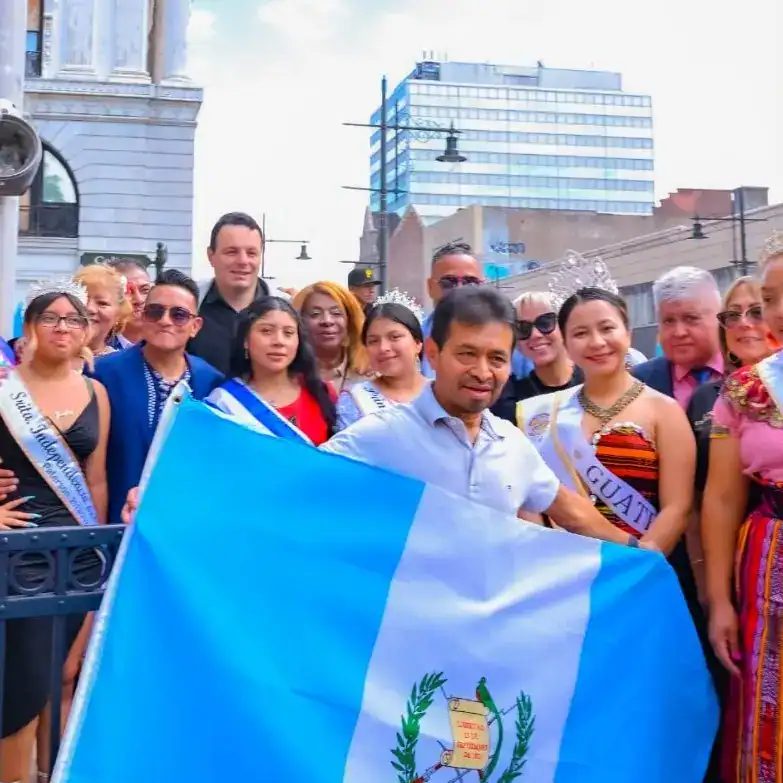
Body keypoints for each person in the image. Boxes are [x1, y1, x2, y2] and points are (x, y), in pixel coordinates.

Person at [321, 286, 642, 546]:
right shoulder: (381, 435)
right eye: (467, 354)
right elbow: (298, 478)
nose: (482, 372)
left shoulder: (512, 443)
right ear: (433, 352)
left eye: (497, 358)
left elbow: (574, 514)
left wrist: (641, 556)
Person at [0, 279, 110, 783]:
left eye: (74, 319)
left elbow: (97, 479)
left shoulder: (96, 393)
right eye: (51, 317)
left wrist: (101, 549)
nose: (62, 327)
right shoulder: (5, 390)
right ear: (29, 326)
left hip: (79, 556)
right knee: (22, 684)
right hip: (18, 554)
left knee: (64, 676)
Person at [702, 232, 783, 783]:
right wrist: (719, 603)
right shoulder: (745, 390)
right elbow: (723, 496)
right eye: (772, 296)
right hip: (770, 559)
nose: (778, 310)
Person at [90, 270, 223, 522]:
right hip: (116, 528)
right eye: (155, 311)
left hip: (186, 524)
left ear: (195, 326)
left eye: (179, 315)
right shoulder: (103, 374)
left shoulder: (211, 382)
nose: (165, 320)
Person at [207, 296, 336, 445]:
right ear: (245, 341)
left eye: (288, 333)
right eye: (267, 331)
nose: (279, 341)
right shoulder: (224, 402)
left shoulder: (321, 393)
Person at [188, 212, 270, 375]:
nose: (243, 261)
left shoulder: (285, 311)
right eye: (231, 252)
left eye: (251, 253)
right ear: (211, 256)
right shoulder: (185, 308)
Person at [633, 266, 724, 407]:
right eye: (668, 321)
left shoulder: (751, 373)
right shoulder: (639, 382)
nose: (679, 332)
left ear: (719, 317)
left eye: (691, 318)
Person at [335, 291, 427, 430]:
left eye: (394, 337)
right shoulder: (356, 399)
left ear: (418, 343)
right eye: (373, 341)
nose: (383, 348)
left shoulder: (443, 394)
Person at [491, 291, 582, 423]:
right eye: (523, 328)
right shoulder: (510, 400)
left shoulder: (594, 378)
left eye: (545, 323)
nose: (535, 335)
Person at [291, 281, 369, 392]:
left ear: (350, 320)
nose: (327, 321)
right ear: (299, 321)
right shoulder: (287, 374)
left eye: (336, 313)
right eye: (315, 314)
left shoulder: (371, 373)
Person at [73, 264, 132, 358]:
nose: (89, 308)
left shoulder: (124, 364)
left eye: (102, 303)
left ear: (118, 314)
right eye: (83, 299)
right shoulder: (46, 358)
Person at [106, 258, 152, 347]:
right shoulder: (98, 348)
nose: (139, 300)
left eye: (145, 290)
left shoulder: (168, 343)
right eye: (127, 291)